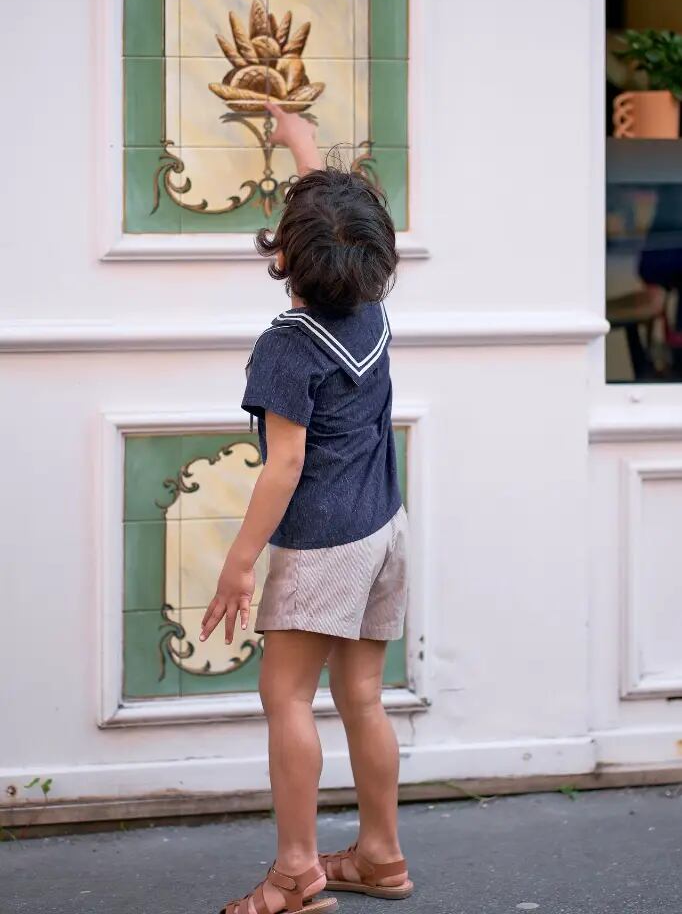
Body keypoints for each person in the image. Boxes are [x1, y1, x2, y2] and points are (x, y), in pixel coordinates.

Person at [200, 101, 412, 914]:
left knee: (286, 697)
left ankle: (295, 874)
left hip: (324, 544)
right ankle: (381, 856)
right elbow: (334, 224)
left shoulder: (287, 349)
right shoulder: (370, 307)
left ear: (284, 255)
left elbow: (284, 466)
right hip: (384, 530)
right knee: (363, 697)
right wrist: (302, 141)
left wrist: (239, 564)